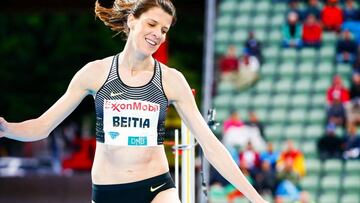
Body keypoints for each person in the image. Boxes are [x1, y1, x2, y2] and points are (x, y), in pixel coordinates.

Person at [0, 1, 268, 203]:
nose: (158, 34)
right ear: (131, 20)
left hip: (157, 187)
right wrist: (6, 128)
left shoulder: (171, 80)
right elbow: (41, 127)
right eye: (152, 24)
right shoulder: (95, 73)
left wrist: (255, 199)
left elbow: (211, 146)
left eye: (163, 29)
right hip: (108, 191)